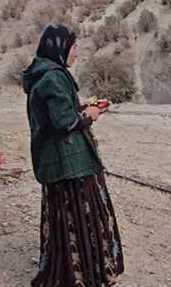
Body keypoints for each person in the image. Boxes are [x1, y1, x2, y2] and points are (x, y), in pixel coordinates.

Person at [22, 24, 124, 287]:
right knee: (81, 215)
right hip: (71, 165)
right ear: (60, 48)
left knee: (65, 218)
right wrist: (88, 116)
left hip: (59, 164)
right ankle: (85, 275)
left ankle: (70, 271)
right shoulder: (53, 77)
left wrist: (79, 105)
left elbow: (55, 112)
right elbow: (63, 122)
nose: (76, 52)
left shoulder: (44, 73)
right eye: (73, 47)